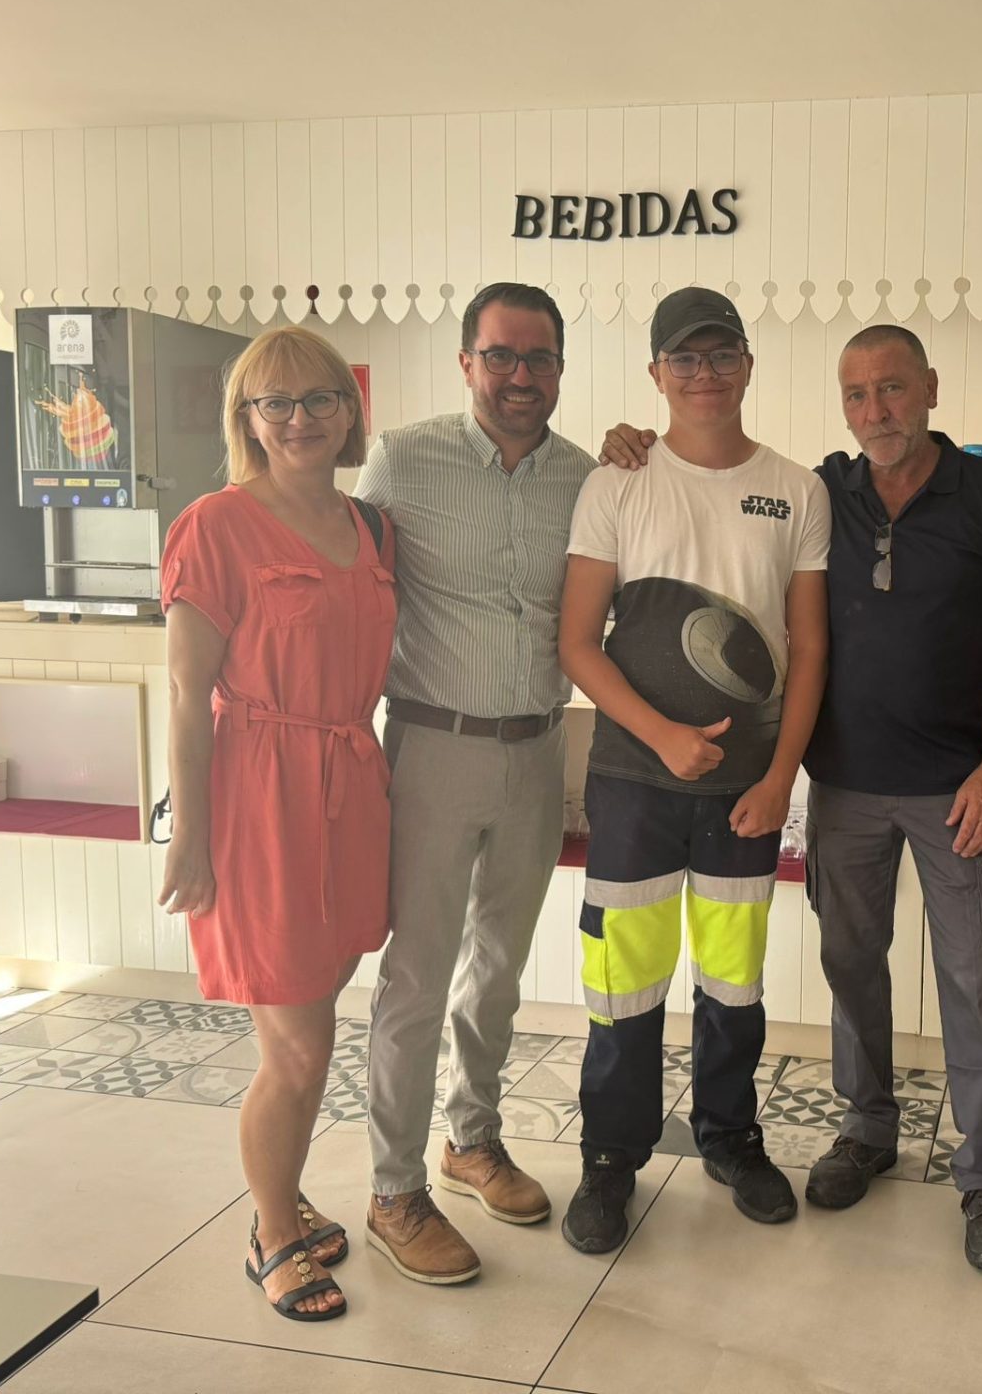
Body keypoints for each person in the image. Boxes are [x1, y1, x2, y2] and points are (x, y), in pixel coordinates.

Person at [600, 324, 982, 1272]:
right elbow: (730, 516)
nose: (876, 411)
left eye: (893, 389)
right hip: (843, 784)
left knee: (975, 975)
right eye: (856, 394)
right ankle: (868, 1127)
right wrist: (627, 438)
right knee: (851, 963)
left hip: (957, 787)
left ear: (931, 387)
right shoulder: (822, 492)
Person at [558, 286, 830, 1255]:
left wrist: (780, 778)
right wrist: (663, 735)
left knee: (733, 984)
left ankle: (731, 1139)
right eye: (685, 358)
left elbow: (809, 647)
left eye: (721, 356)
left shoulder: (797, 489)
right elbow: (577, 642)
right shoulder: (617, 482)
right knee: (622, 986)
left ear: (749, 365)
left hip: (744, 793)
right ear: (656, 374)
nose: (704, 374)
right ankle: (609, 1158)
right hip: (635, 783)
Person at [356, 283, 594, 1284]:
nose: (520, 376)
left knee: (498, 966)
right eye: (501, 355)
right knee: (418, 974)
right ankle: (392, 1190)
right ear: (467, 362)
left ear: (561, 368)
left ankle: (472, 1140)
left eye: (539, 358)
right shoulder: (402, 460)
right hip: (432, 746)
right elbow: (349, 590)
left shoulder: (585, 476)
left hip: (537, 749)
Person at [158, 326, 392, 1323]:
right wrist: (190, 834)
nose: (300, 419)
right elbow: (186, 694)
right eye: (276, 403)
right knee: (296, 1046)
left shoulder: (370, 527)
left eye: (320, 398)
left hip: (350, 784)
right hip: (259, 798)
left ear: (349, 409)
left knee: (317, 1014)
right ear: (246, 418)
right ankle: (271, 1233)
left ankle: (283, 1190)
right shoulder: (216, 525)